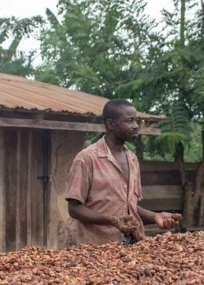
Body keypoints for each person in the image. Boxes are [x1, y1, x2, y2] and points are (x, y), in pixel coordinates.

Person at [67, 99, 182, 245]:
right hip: (98, 248)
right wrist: (111, 220)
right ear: (110, 124)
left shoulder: (132, 159)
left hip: (133, 244)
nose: (136, 126)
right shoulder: (86, 158)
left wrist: (155, 216)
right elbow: (74, 209)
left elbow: (128, 205)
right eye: (129, 121)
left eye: (136, 121)